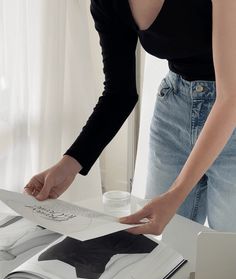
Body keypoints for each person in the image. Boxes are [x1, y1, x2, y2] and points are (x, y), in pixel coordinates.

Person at [24, 0, 236, 235]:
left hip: (231, 110)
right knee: (169, 244)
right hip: (174, 108)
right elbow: (119, 94)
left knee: (228, 250)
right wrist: (70, 163)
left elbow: (230, 97)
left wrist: (175, 194)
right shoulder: (108, 4)